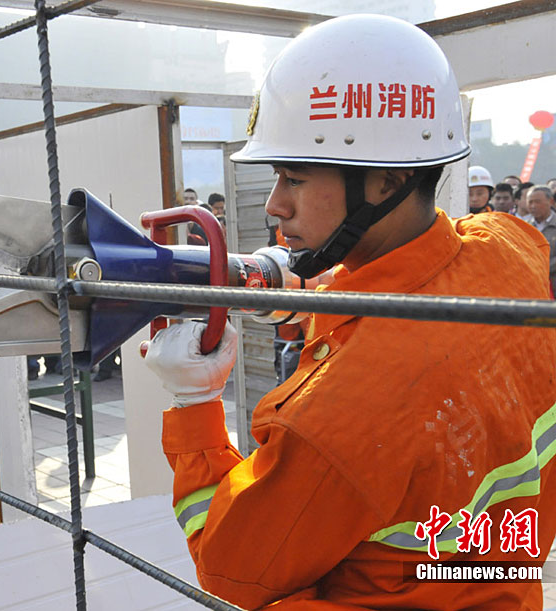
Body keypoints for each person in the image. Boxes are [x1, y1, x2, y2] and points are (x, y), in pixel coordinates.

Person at [144, 15, 556, 610]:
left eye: (294, 178)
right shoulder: (511, 247)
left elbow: (230, 569)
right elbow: (423, 296)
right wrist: (319, 296)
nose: (276, 205)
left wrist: (194, 403)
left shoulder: (338, 419)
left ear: (386, 182)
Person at [527, 185, 556, 295]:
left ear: (551, 201)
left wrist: (541, 268)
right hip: (532, 286)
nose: (533, 206)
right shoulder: (524, 226)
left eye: (537, 202)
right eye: (530, 202)